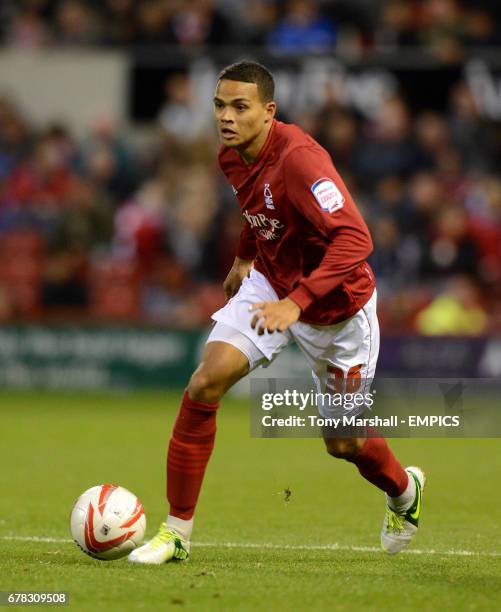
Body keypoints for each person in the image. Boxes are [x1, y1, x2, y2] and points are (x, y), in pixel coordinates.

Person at [128, 60, 425, 564]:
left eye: (240, 107)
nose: (226, 116)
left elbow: (356, 238)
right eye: (220, 105)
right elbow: (257, 206)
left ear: (269, 112)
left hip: (339, 312)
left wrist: (297, 303)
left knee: (343, 444)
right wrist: (246, 256)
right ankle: (177, 532)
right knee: (205, 382)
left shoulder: (302, 159)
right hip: (271, 281)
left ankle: (403, 489)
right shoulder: (230, 155)